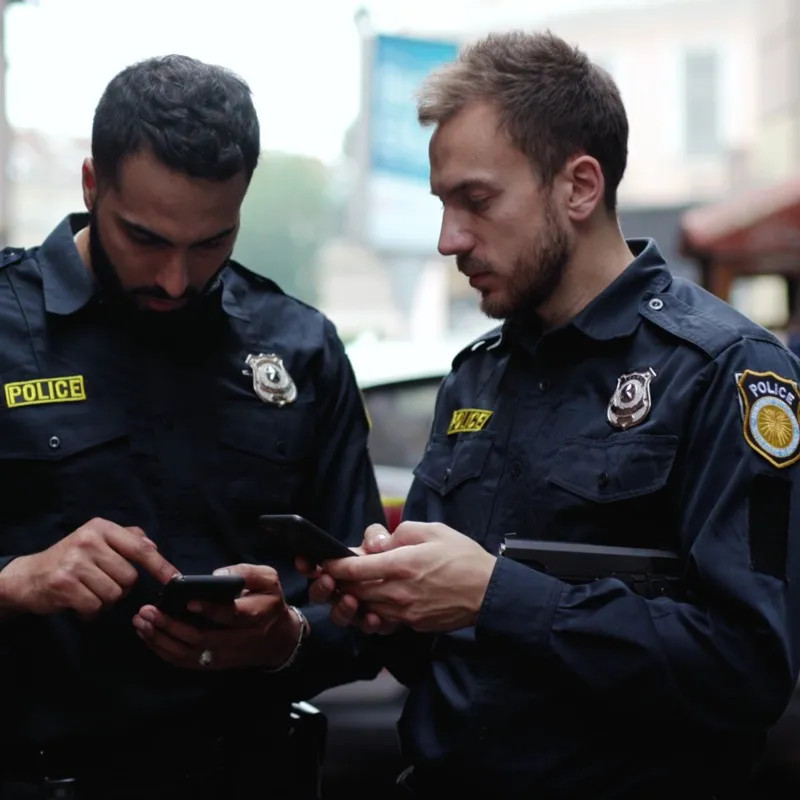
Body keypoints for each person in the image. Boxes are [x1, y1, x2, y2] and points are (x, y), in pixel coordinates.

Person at [311, 30, 800, 799]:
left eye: (476, 201)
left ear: (579, 187)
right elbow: (449, 657)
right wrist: (390, 602)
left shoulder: (723, 370)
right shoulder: (477, 376)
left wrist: (493, 594)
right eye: (442, 205)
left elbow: (745, 670)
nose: (448, 240)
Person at [0, 54, 383, 800]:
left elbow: (370, 611)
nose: (176, 279)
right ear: (92, 185)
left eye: (211, 242)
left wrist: (288, 639)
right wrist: (15, 581)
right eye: (145, 238)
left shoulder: (299, 349)